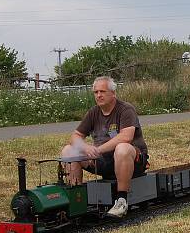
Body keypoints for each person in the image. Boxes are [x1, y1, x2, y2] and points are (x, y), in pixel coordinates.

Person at [60, 76, 148, 218]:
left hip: (132, 160)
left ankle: (121, 201)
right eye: (96, 92)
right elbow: (75, 136)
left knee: (122, 148)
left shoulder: (126, 109)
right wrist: (86, 148)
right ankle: (75, 201)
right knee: (68, 150)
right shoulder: (93, 112)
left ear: (113, 93)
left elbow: (126, 137)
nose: (99, 95)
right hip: (103, 161)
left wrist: (98, 150)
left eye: (102, 91)